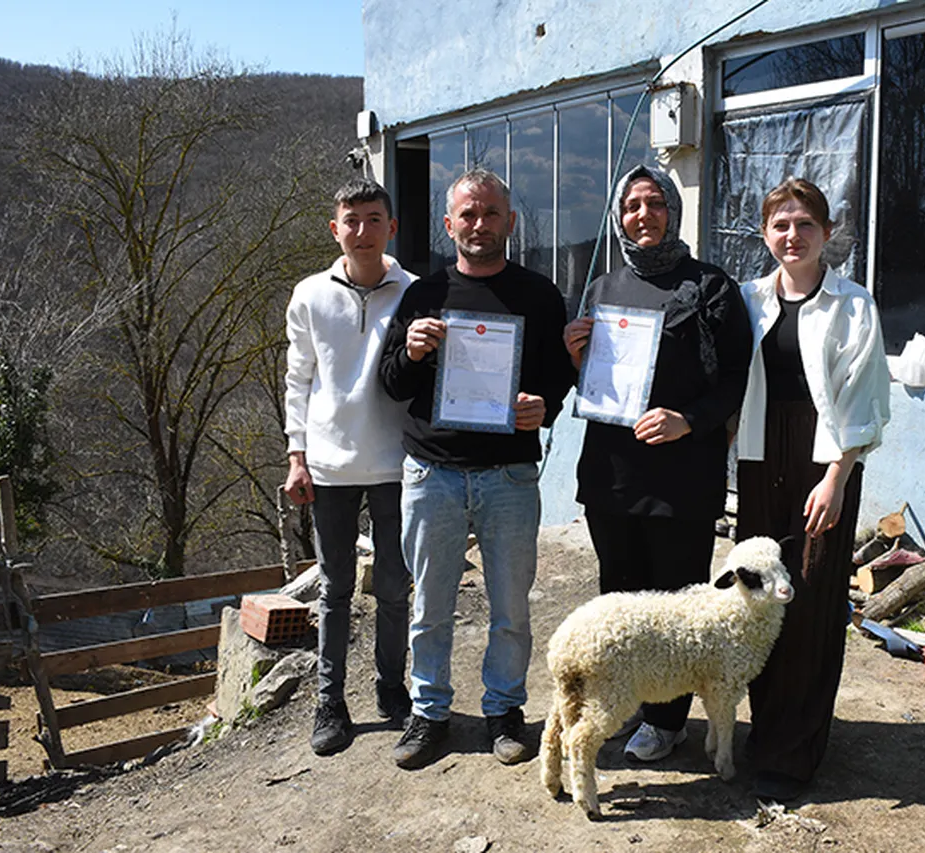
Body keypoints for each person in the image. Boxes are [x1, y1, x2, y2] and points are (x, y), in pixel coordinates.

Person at [379, 168, 575, 770]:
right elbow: (391, 384)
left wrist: (544, 407)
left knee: (511, 608)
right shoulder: (422, 296)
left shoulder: (539, 295)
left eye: (491, 213)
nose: (480, 224)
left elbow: (558, 377)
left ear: (510, 222)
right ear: (449, 224)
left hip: (508, 476)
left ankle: (504, 710)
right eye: (468, 214)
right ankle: (429, 712)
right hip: (432, 474)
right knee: (429, 606)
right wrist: (411, 352)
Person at [563, 164, 752, 763]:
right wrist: (576, 359)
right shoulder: (602, 287)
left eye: (654, 202)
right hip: (612, 475)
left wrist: (688, 420)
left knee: (673, 608)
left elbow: (735, 378)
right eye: (631, 206)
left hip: (681, 479)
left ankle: (668, 721)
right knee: (620, 601)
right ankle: (623, 703)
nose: (642, 214)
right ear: (620, 217)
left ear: (673, 209)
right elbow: (594, 384)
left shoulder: (710, 286)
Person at [734, 177, 891, 801]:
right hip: (759, 456)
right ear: (765, 234)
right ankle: (766, 730)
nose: (792, 235)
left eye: (804, 224)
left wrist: (835, 478)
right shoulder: (749, 299)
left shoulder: (854, 305)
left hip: (824, 461)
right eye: (780, 225)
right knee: (760, 597)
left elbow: (863, 399)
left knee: (810, 597)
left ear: (827, 233)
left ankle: (796, 750)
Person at [283, 177, 415, 756]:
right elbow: (298, 379)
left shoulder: (414, 291)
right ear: (335, 229)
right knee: (334, 590)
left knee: (394, 587)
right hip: (329, 466)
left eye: (373, 219)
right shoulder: (310, 295)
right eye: (351, 221)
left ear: (392, 227)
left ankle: (392, 688)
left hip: (396, 463)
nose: (363, 231)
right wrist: (297, 456)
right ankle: (330, 702)